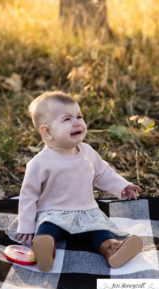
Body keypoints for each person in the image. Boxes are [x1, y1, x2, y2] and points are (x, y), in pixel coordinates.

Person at [8, 91, 143, 272]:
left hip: (86, 213)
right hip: (53, 212)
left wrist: (122, 186)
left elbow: (102, 173)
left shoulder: (87, 151)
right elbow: (28, 195)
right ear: (47, 132)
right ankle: (45, 249)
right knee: (46, 229)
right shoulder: (40, 162)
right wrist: (26, 224)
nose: (77, 122)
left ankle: (112, 248)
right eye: (67, 119)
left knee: (99, 232)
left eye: (79, 116)